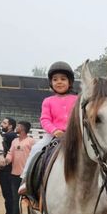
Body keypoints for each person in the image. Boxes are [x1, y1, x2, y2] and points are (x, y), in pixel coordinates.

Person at [19, 61, 78, 194]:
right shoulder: (48, 101)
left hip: (74, 135)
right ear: (51, 83)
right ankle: (26, 179)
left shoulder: (77, 99)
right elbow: (45, 119)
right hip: (52, 135)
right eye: (55, 79)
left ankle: (106, 178)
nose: (59, 82)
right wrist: (54, 130)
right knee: (36, 148)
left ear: (70, 82)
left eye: (63, 79)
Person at [1, 121, 36, 214]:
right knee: (16, 199)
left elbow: (34, 156)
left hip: (26, 175)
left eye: (19, 126)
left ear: (24, 128)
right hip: (14, 174)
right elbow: (10, 153)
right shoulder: (15, 141)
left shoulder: (31, 141)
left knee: (29, 199)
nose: (17, 127)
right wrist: (6, 160)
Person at [0, 116, 17, 214]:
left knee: (7, 194)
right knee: (11, 194)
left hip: (6, 169)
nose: (2, 124)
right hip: (12, 169)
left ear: (10, 126)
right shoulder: (14, 136)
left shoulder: (9, 136)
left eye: (4, 123)